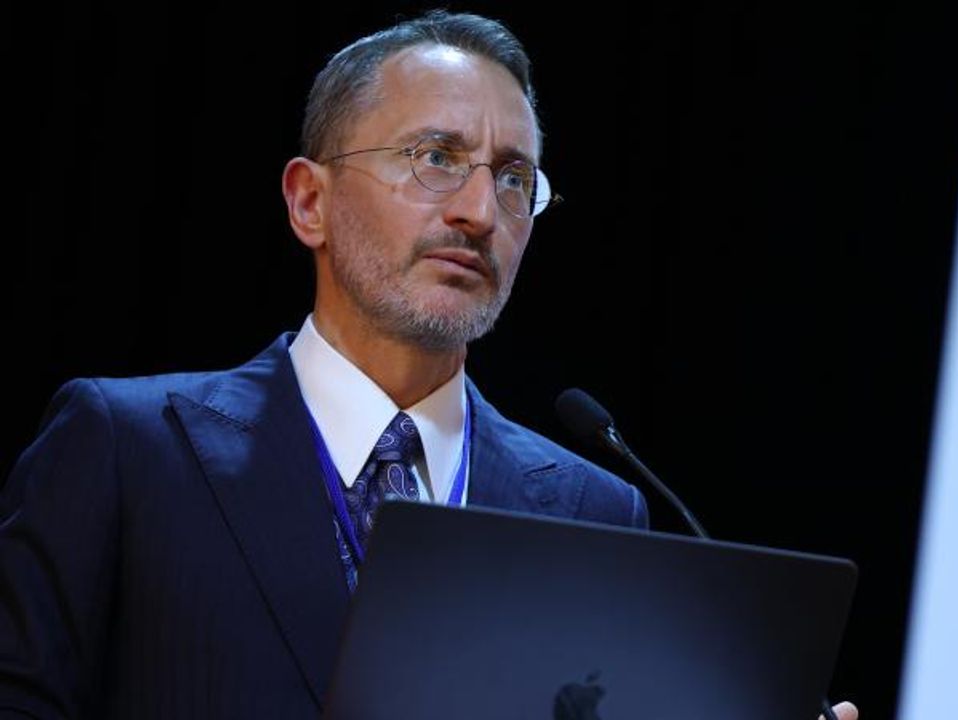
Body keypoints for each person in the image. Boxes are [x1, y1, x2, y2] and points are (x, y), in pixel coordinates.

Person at [0, 10, 855, 719]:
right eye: (436, 159)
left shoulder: (596, 512)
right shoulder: (128, 450)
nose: (481, 211)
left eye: (514, 178)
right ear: (309, 201)